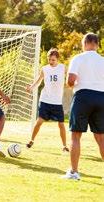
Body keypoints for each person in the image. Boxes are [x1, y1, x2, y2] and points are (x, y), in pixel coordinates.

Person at [63, 33, 104, 180]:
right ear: (97, 45)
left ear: (84, 43)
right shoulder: (103, 60)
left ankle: (74, 172)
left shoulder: (78, 58)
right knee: (101, 137)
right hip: (101, 98)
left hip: (83, 96)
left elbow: (70, 80)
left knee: (75, 136)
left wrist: (74, 83)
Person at [26, 48, 69, 152]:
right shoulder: (45, 69)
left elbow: (71, 77)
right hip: (45, 100)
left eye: (53, 60)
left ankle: (64, 146)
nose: (51, 62)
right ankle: (31, 140)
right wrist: (31, 87)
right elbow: (39, 80)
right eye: (49, 59)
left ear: (57, 59)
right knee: (39, 121)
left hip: (57, 102)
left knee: (61, 124)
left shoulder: (63, 68)